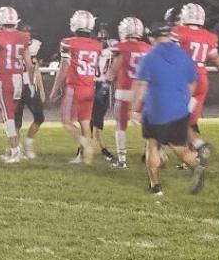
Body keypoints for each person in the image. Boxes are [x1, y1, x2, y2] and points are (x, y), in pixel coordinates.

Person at [130, 21, 208, 195]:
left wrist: (134, 109)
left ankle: (155, 186)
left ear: (152, 37)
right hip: (178, 109)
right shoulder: (183, 55)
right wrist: (185, 100)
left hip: (155, 109)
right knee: (180, 147)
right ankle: (197, 167)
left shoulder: (149, 57)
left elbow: (141, 85)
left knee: (152, 146)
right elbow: (193, 81)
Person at [172, 2, 219, 155]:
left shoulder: (178, 31)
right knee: (190, 120)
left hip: (186, 79)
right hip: (202, 79)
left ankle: (197, 145)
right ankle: (194, 153)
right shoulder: (209, 36)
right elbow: (217, 59)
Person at [0, 5, 34, 163]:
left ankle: (15, 152)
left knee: (8, 118)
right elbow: (29, 64)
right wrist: (30, 83)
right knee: (12, 117)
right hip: (18, 79)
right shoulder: (24, 36)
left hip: (4, 79)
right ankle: (14, 151)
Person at [51, 10, 102, 164]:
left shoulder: (68, 42)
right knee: (85, 122)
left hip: (75, 87)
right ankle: (86, 159)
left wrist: (54, 89)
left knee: (66, 120)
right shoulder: (97, 45)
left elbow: (64, 68)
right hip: (89, 87)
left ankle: (85, 144)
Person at [107, 16, 151, 168]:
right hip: (144, 92)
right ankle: (150, 153)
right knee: (147, 124)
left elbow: (113, 69)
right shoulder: (147, 47)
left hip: (125, 90)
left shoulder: (121, 46)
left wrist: (107, 78)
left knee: (121, 125)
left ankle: (122, 159)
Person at [14, 24, 46, 159]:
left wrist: (42, 89)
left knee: (39, 117)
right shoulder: (13, 47)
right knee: (16, 122)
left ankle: (28, 144)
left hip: (30, 86)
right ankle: (16, 148)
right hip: (16, 85)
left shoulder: (34, 47)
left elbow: (36, 69)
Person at [89, 23, 117, 162]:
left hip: (103, 85)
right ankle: (101, 148)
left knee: (96, 119)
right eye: (99, 39)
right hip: (92, 84)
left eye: (104, 39)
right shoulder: (96, 50)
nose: (102, 42)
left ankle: (89, 147)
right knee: (93, 119)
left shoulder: (109, 49)